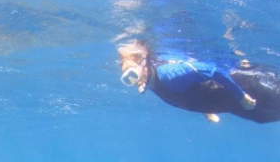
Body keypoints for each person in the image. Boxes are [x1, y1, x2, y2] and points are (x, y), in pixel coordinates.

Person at [117, 40, 280, 124]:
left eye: (132, 74)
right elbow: (191, 89)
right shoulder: (151, 83)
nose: (134, 81)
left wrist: (241, 96)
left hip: (243, 85)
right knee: (262, 118)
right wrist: (207, 110)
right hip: (230, 103)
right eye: (127, 79)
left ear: (144, 66)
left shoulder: (168, 75)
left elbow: (212, 71)